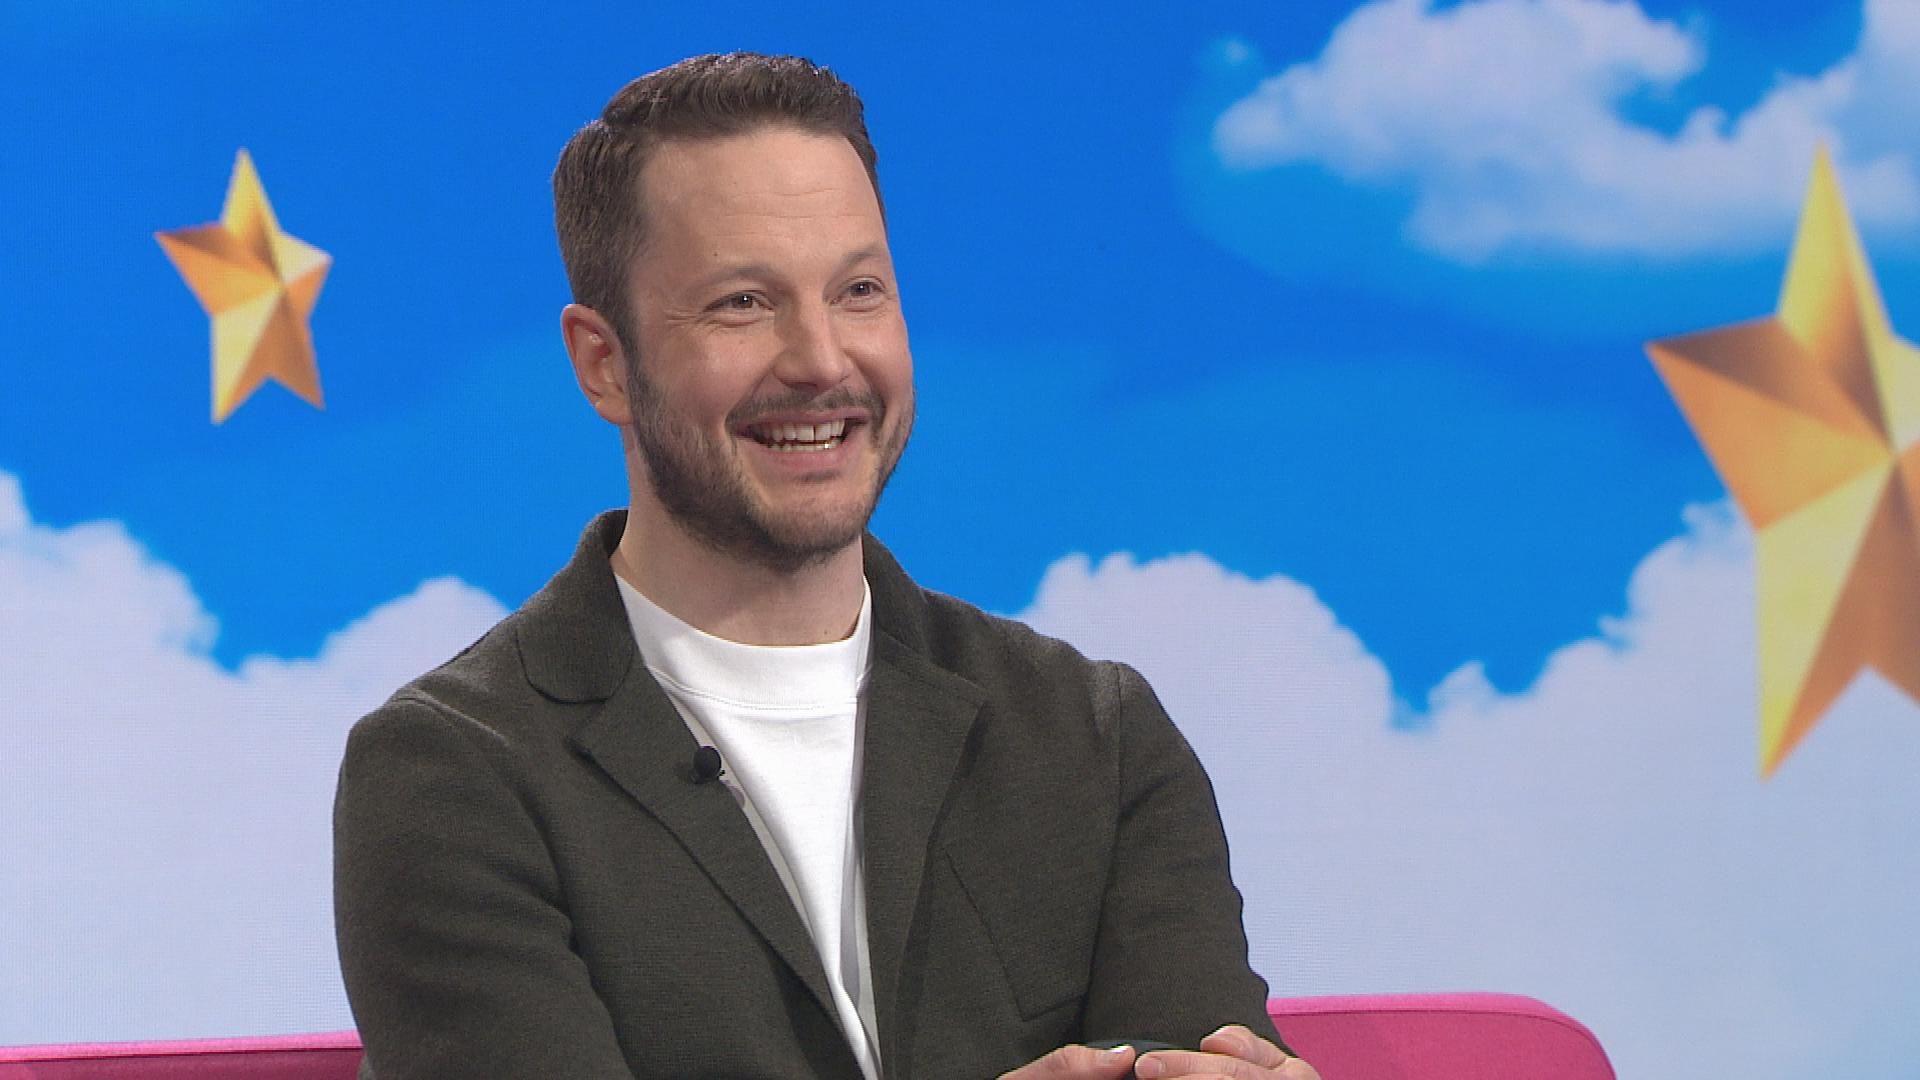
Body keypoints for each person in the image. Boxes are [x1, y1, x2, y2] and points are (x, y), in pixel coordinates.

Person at [333, 52, 1319, 1080]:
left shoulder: (1094, 738)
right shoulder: (455, 773)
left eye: (858, 292)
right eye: (742, 303)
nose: (819, 359)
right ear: (604, 364)